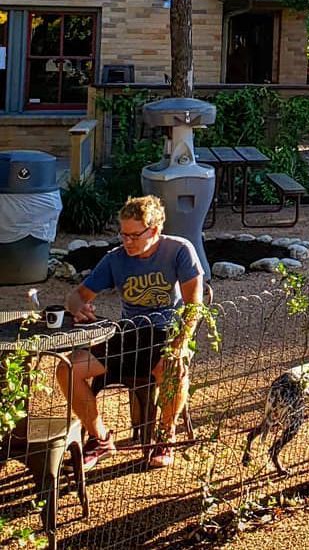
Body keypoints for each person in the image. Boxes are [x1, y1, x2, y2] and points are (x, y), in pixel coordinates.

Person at [57, 195, 204, 470]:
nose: (127, 242)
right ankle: (100, 439)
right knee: (67, 369)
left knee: (173, 368)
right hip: (127, 335)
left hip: (166, 333)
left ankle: (165, 435)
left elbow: (194, 306)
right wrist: (78, 307)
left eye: (134, 235)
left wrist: (180, 344)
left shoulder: (179, 250)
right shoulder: (116, 259)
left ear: (154, 230)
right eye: (123, 234)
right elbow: (76, 295)